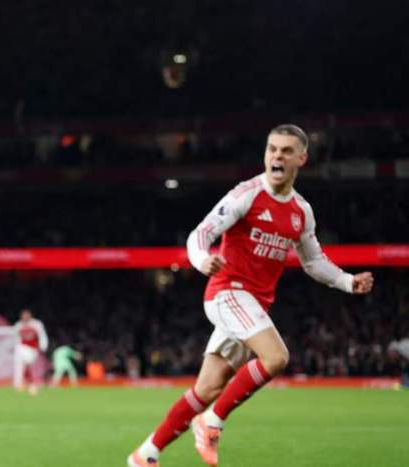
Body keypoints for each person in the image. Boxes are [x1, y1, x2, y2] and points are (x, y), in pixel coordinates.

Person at [128, 124, 374, 467]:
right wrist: (202, 260)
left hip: (252, 304)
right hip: (227, 293)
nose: (277, 156)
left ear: (301, 158)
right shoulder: (247, 194)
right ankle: (213, 422)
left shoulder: (301, 212)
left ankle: (146, 454)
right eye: (272, 149)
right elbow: (201, 233)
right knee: (276, 358)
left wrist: (348, 282)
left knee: (207, 389)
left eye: (286, 151)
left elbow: (314, 260)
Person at [13, 309, 48, 396]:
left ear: (30, 315)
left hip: (32, 349)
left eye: (26, 315)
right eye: (23, 315)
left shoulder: (36, 324)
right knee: (19, 365)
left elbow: (42, 335)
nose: (25, 317)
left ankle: (32, 383)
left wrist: (43, 345)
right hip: (21, 347)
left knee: (30, 365)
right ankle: (18, 384)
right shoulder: (18, 325)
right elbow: (16, 337)